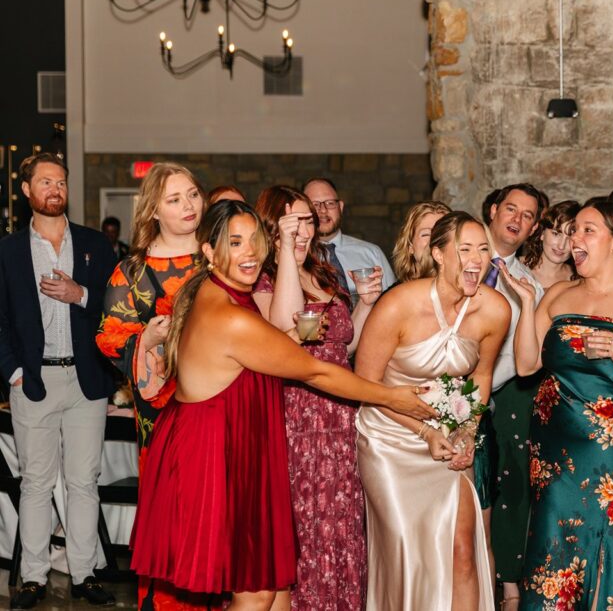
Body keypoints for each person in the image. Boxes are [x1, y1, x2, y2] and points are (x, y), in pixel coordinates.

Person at [130, 200, 436, 611]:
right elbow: (316, 373)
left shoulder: (214, 291)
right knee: (255, 588)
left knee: (275, 583)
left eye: (254, 240)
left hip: (235, 442)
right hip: (213, 452)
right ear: (207, 251)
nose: (250, 252)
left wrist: (288, 337)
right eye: (234, 242)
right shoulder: (229, 314)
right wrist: (394, 397)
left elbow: (249, 357)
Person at [505, 201, 613, 611]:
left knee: (605, 544)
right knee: (551, 544)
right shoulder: (558, 293)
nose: (575, 239)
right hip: (552, 449)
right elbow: (526, 364)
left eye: (587, 230)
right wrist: (528, 307)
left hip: (611, 449)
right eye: (574, 231)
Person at [356, 211, 511, 611]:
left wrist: (468, 430)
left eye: (482, 250)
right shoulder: (398, 305)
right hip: (390, 438)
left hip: (449, 436)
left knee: (462, 548)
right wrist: (424, 432)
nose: (475, 259)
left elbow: (481, 376)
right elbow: (366, 386)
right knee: (410, 552)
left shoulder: (494, 310)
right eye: (464, 250)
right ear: (438, 254)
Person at [0, 153, 119, 609]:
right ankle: (31, 578)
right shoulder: (8, 250)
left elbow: (116, 308)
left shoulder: (95, 245)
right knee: (35, 482)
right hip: (32, 381)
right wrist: (13, 372)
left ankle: (85, 573)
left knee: (84, 481)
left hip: (86, 379)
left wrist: (80, 294)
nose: (55, 189)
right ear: (27, 191)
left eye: (61, 182)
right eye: (45, 181)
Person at [253, 186, 378, 610]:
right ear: (272, 228)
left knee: (345, 528)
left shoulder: (323, 272)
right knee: (311, 528)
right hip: (300, 420)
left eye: (307, 221)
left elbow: (344, 344)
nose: (305, 230)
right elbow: (283, 329)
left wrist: (366, 305)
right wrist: (287, 251)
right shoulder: (262, 276)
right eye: (292, 223)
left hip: (343, 417)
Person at [96, 162, 207, 610]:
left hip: (225, 405)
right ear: (154, 210)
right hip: (162, 413)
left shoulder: (221, 255)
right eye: (175, 199)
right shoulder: (134, 271)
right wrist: (151, 338)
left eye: (194, 194)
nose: (189, 205)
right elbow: (109, 337)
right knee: (174, 515)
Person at [490, 199, 577, 608]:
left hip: (559, 391)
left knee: (552, 487)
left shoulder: (581, 281)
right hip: (515, 386)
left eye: (570, 233)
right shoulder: (514, 273)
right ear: (541, 231)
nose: (561, 242)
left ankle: (550, 575)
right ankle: (509, 586)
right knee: (513, 481)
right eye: (555, 230)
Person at [481, 183, 548, 606]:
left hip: (482, 402)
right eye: (511, 209)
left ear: (534, 227)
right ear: (492, 210)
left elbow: (521, 358)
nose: (517, 219)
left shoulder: (529, 286)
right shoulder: (457, 252)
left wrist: (473, 389)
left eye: (527, 216)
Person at [303, 178, 397, 296]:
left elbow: (394, 302)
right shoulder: (295, 258)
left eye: (330, 203)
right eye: (314, 204)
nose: (323, 210)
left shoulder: (372, 253)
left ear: (340, 207)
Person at [392, 201, 452, 284]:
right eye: (426, 234)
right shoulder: (394, 295)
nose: (435, 239)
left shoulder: (467, 290)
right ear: (410, 246)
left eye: (442, 233)